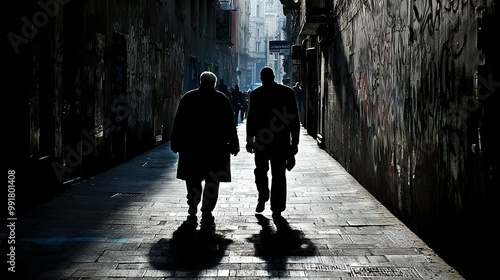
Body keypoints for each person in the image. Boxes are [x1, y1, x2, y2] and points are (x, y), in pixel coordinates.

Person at [171, 71, 240, 231]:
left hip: (192, 148)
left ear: (201, 82)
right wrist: (234, 144)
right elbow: (230, 124)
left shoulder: (188, 98)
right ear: (214, 83)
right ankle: (207, 210)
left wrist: (175, 143)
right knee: (212, 181)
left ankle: (193, 205)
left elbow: (179, 122)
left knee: (193, 179)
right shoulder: (221, 99)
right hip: (215, 149)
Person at [245, 66, 300, 221]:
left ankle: (263, 197)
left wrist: (250, 141)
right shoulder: (287, 92)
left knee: (261, 171)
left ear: (261, 78)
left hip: (262, 141)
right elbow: (294, 119)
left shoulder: (256, 94)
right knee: (279, 175)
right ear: (274, 76)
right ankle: (277, 207)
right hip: (281, 141)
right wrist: (294, 143)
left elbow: (252, 119)